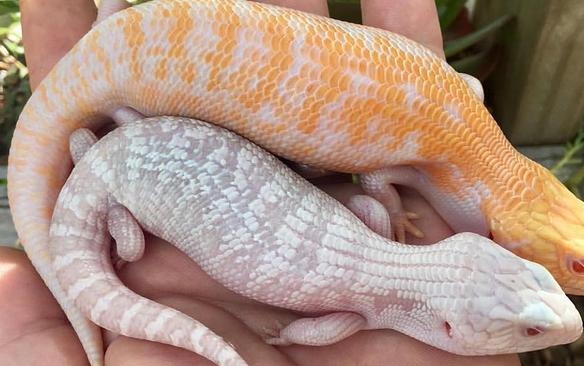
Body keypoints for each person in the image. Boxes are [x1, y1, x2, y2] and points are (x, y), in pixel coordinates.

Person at [0, 0, 521, 365]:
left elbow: (372, 206)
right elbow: (305, 332)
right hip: (134, 158)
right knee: (130, 244)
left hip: (126, 145)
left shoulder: (373, 230)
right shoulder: (356, 314)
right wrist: (279, 335)